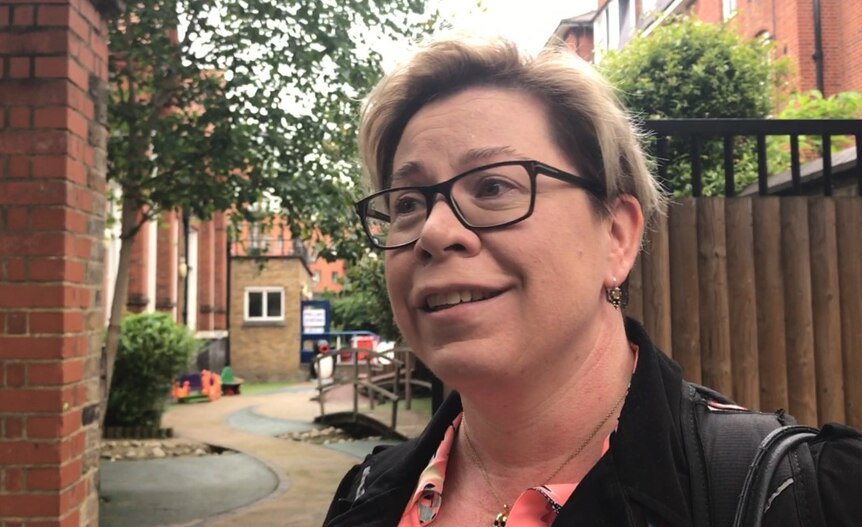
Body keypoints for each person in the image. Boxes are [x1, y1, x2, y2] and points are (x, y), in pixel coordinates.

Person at [323, 36, 862, 527]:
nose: (435, 233)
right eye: (408, 203)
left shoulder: (813, 496)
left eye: (492, 186)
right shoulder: (364, 495)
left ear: (617, 237)